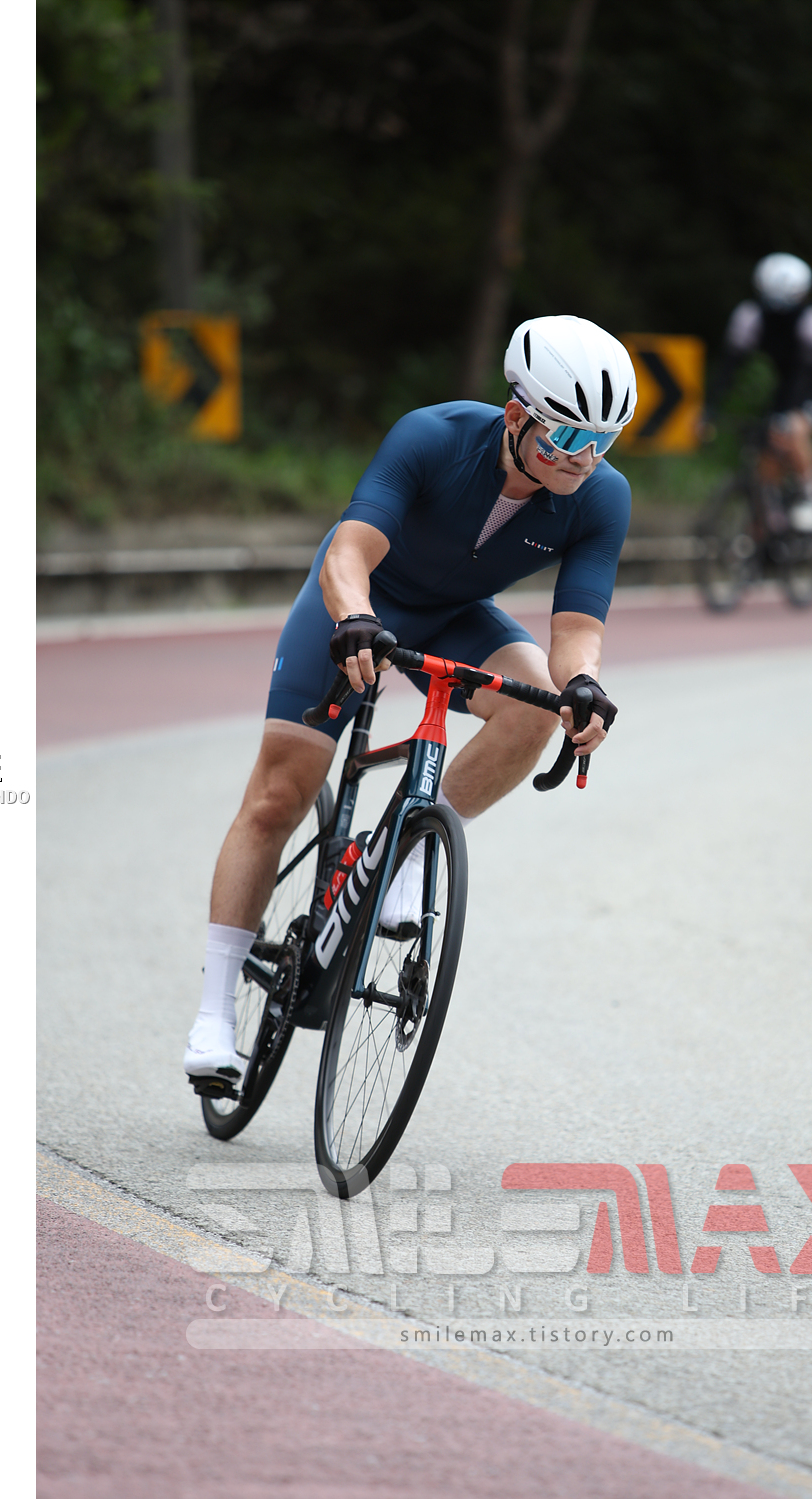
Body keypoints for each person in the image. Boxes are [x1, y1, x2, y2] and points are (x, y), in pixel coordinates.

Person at [183, 315, 637, 1082]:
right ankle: (215, 1013)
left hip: (455, 615)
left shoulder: (602, 496)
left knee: (534, 704)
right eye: (566, 437)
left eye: (603, 442)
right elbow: (350, 550)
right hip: (358, 601)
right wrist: (354, 618)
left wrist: (583, 684)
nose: (582, 459)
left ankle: (406, 854)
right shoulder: (434, 437)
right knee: (277, 797)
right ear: (517, 414)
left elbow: (576, 629)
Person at [704, 252, 812, 532]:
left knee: (792, 430)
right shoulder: (751, 316)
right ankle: (771, 518)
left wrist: (787, 416)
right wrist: (709, 409)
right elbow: (729, 367)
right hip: (786, 389)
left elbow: (809, 372)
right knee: (766, 454)